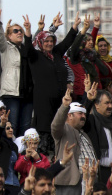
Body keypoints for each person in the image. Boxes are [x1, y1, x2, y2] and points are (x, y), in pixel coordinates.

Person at [24, 13, 80, 154]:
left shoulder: (56, 53)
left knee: (59, 127)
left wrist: (74, 27)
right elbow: (27, 48)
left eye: (51, 41)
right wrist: (28, 31)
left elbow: (67, 42)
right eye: (46, 41)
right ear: (40, 42)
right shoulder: (35, 56)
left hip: (59, 100)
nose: (49, 43)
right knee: (46, 130)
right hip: (43, 101)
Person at [0, 10, 33, 137]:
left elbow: (34, 41)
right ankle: (13, 153)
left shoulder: (26, 49)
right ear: (9, 36)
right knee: (12, 125)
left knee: (26, 127)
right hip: (11, 93)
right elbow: (0, 38)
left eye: (20, 30)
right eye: (15, 31)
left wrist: (28, 29)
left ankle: (24, 154)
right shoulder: (6, 48)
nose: (19, 32)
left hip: (27, 93)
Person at [51, 88, 96, 194]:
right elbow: (55, 125)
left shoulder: (84, 134)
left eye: (84, 114)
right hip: (69, 181)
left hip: (88, 180)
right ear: (69, 115)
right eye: (80, 114)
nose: (83, 116)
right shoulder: (63, 130)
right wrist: (65, 106)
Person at [82, 87, 112, 183]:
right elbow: (82, 117)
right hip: (100, 172)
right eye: (107, 103)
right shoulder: (92, 122)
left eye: (111, 103)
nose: (110, 106)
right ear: (97, 105)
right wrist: (89, 100)